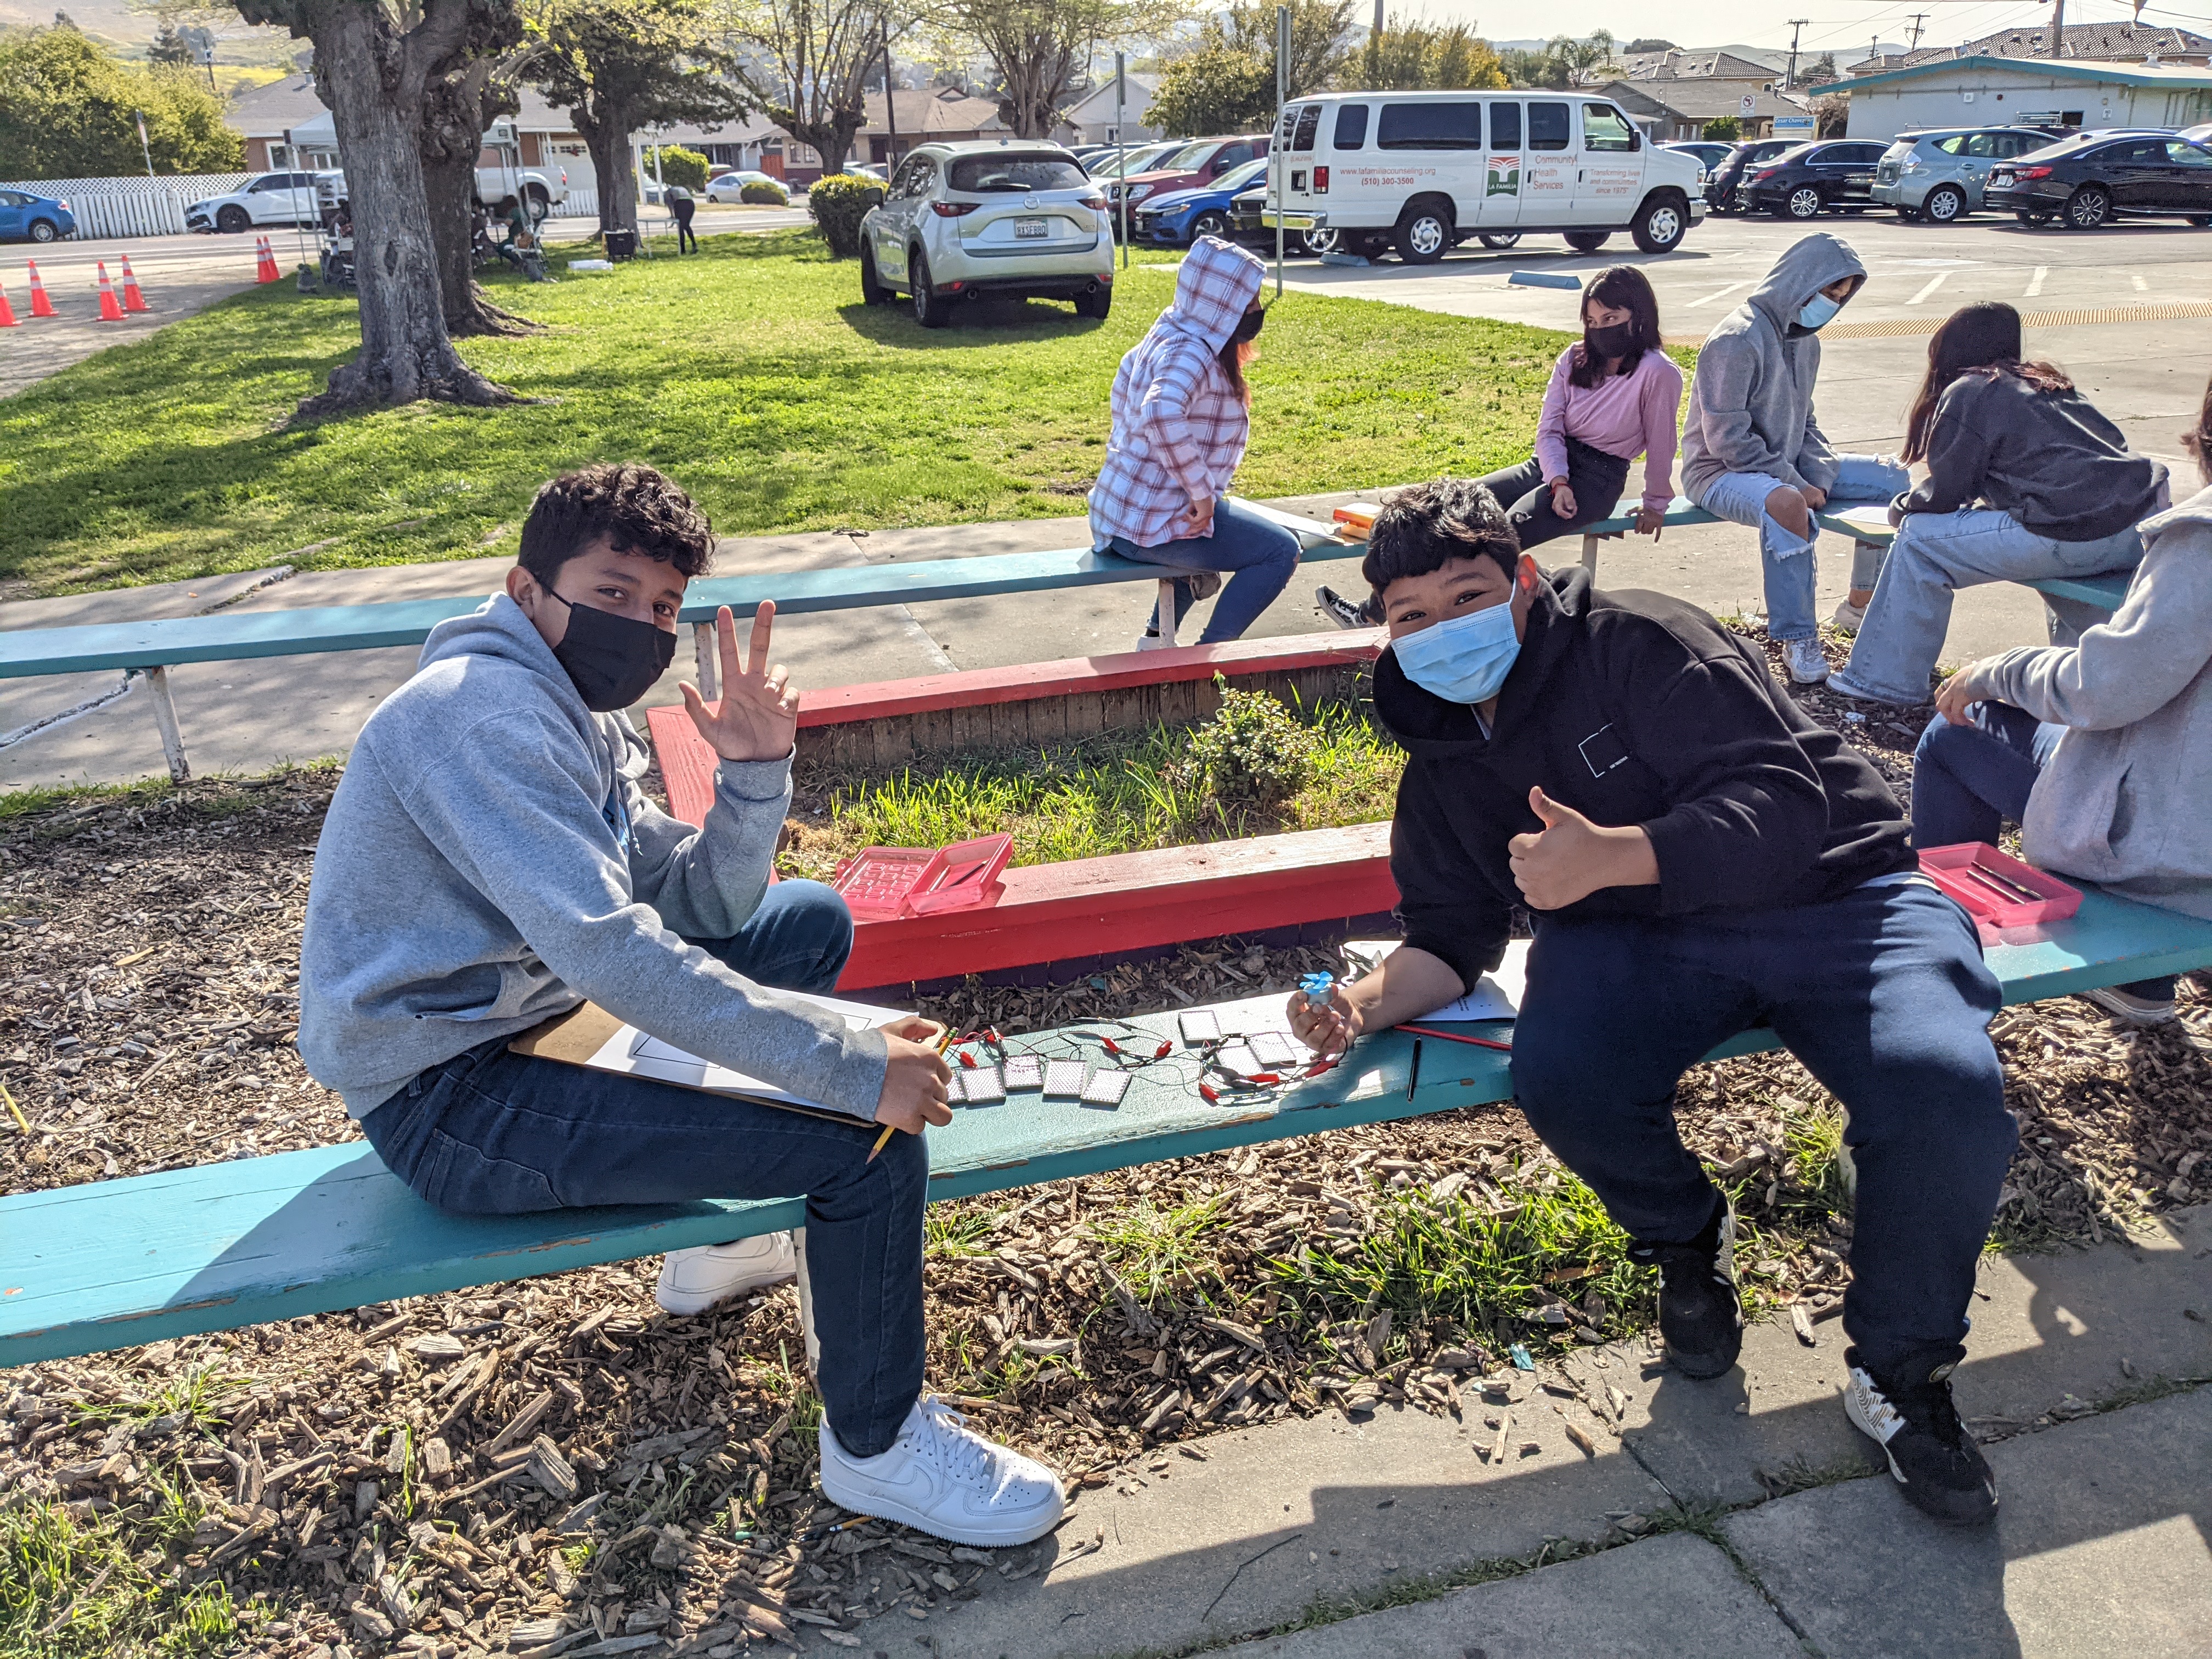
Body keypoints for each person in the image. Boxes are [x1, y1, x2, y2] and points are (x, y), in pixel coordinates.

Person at [297, 463, 1064, 1548]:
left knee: (804, 923)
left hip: (533, 1024)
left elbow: (704, 900)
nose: (642, 628)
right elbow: (612, 951)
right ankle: (878, 1448)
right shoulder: (479, 720)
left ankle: (719, 1249)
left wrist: (755, 772)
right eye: (611, 595)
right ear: (527, 592)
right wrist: (847, 1064)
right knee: (867, 1144)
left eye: (662, 608)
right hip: (450, 1097)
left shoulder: (564, 707)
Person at [1286, 478, 2016, 1527]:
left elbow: (1782, 800)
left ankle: (1901, 1374)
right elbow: (1450, 936)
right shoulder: (1437, 751)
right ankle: (1687, 1239)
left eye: (1468, 595)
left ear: (1524, 580)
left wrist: (1614, 853)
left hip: (1838, 894)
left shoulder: (1639, 637)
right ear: (1386, 634)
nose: (1444, 630)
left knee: (1941, 1088)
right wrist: (1355, 1003)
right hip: (1640, 935)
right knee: (1561, 1068)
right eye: (1413, 617)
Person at [1909, 377, 2212, 1026]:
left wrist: (1997, 671)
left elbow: (2105, 690)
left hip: (2175, 851)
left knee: (1956, 730)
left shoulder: (2204, 539)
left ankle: (1940, 965)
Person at [1827, 302, 2165, 706]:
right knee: (2055, 559)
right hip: (2141, 526)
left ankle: (1881, 682)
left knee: (1918, 540)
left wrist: (1902, 506)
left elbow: (1945, 496)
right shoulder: (2050, 383)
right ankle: (2094, 692)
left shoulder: (1972, 389)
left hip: (2075, 532)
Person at [1317, 266, 1680, 631]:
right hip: (1548, 464)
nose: (1601, 329)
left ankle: (1484, 624)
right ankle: (1371, 613)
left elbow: (1662, 442)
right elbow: (1549, 428)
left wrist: (1655, 503)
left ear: (1639, 316)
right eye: (1592, 320)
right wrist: (1558, 481)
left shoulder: (1658, 372)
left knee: (1498, 535)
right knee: (1447, 509)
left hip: (1597, 479)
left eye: (1612, 318)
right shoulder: (1575, 358)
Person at [1680, 233, 1909, 688]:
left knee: (1895, 481)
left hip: (1780, 465)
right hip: (1718, 473)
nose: (1832, 304)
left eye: (1841, 297)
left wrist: (1818, 477)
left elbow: (1808, 424)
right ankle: (1797, 636)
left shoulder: (1807, 342)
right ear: (1800, 281)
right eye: (1827, 292)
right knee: (1787, 505)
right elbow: (1727, 439)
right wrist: (1795, 483)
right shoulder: (1735, 339)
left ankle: (1859, 607)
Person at [1090, 234, 1301, 648]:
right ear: (1220, 303)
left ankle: (1155, 640)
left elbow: (1125, 385)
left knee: (1211, 528)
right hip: (1150, 527)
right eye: (1249, 299)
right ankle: (1210, 658)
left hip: (1119, 516)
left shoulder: (1168, 333)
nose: (1257, 310)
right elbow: (1160, 411)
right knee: (1279, 551)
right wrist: (1201, 493)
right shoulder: (1194, 352)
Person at [668, 182, 698, 254]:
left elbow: (670, 205)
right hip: (691, 203)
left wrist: (672, 216)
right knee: (686, 225)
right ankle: (694, 245)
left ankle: (683, 250)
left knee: (681, 227)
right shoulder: (682, 188)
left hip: (680, 203)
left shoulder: (668, 192)